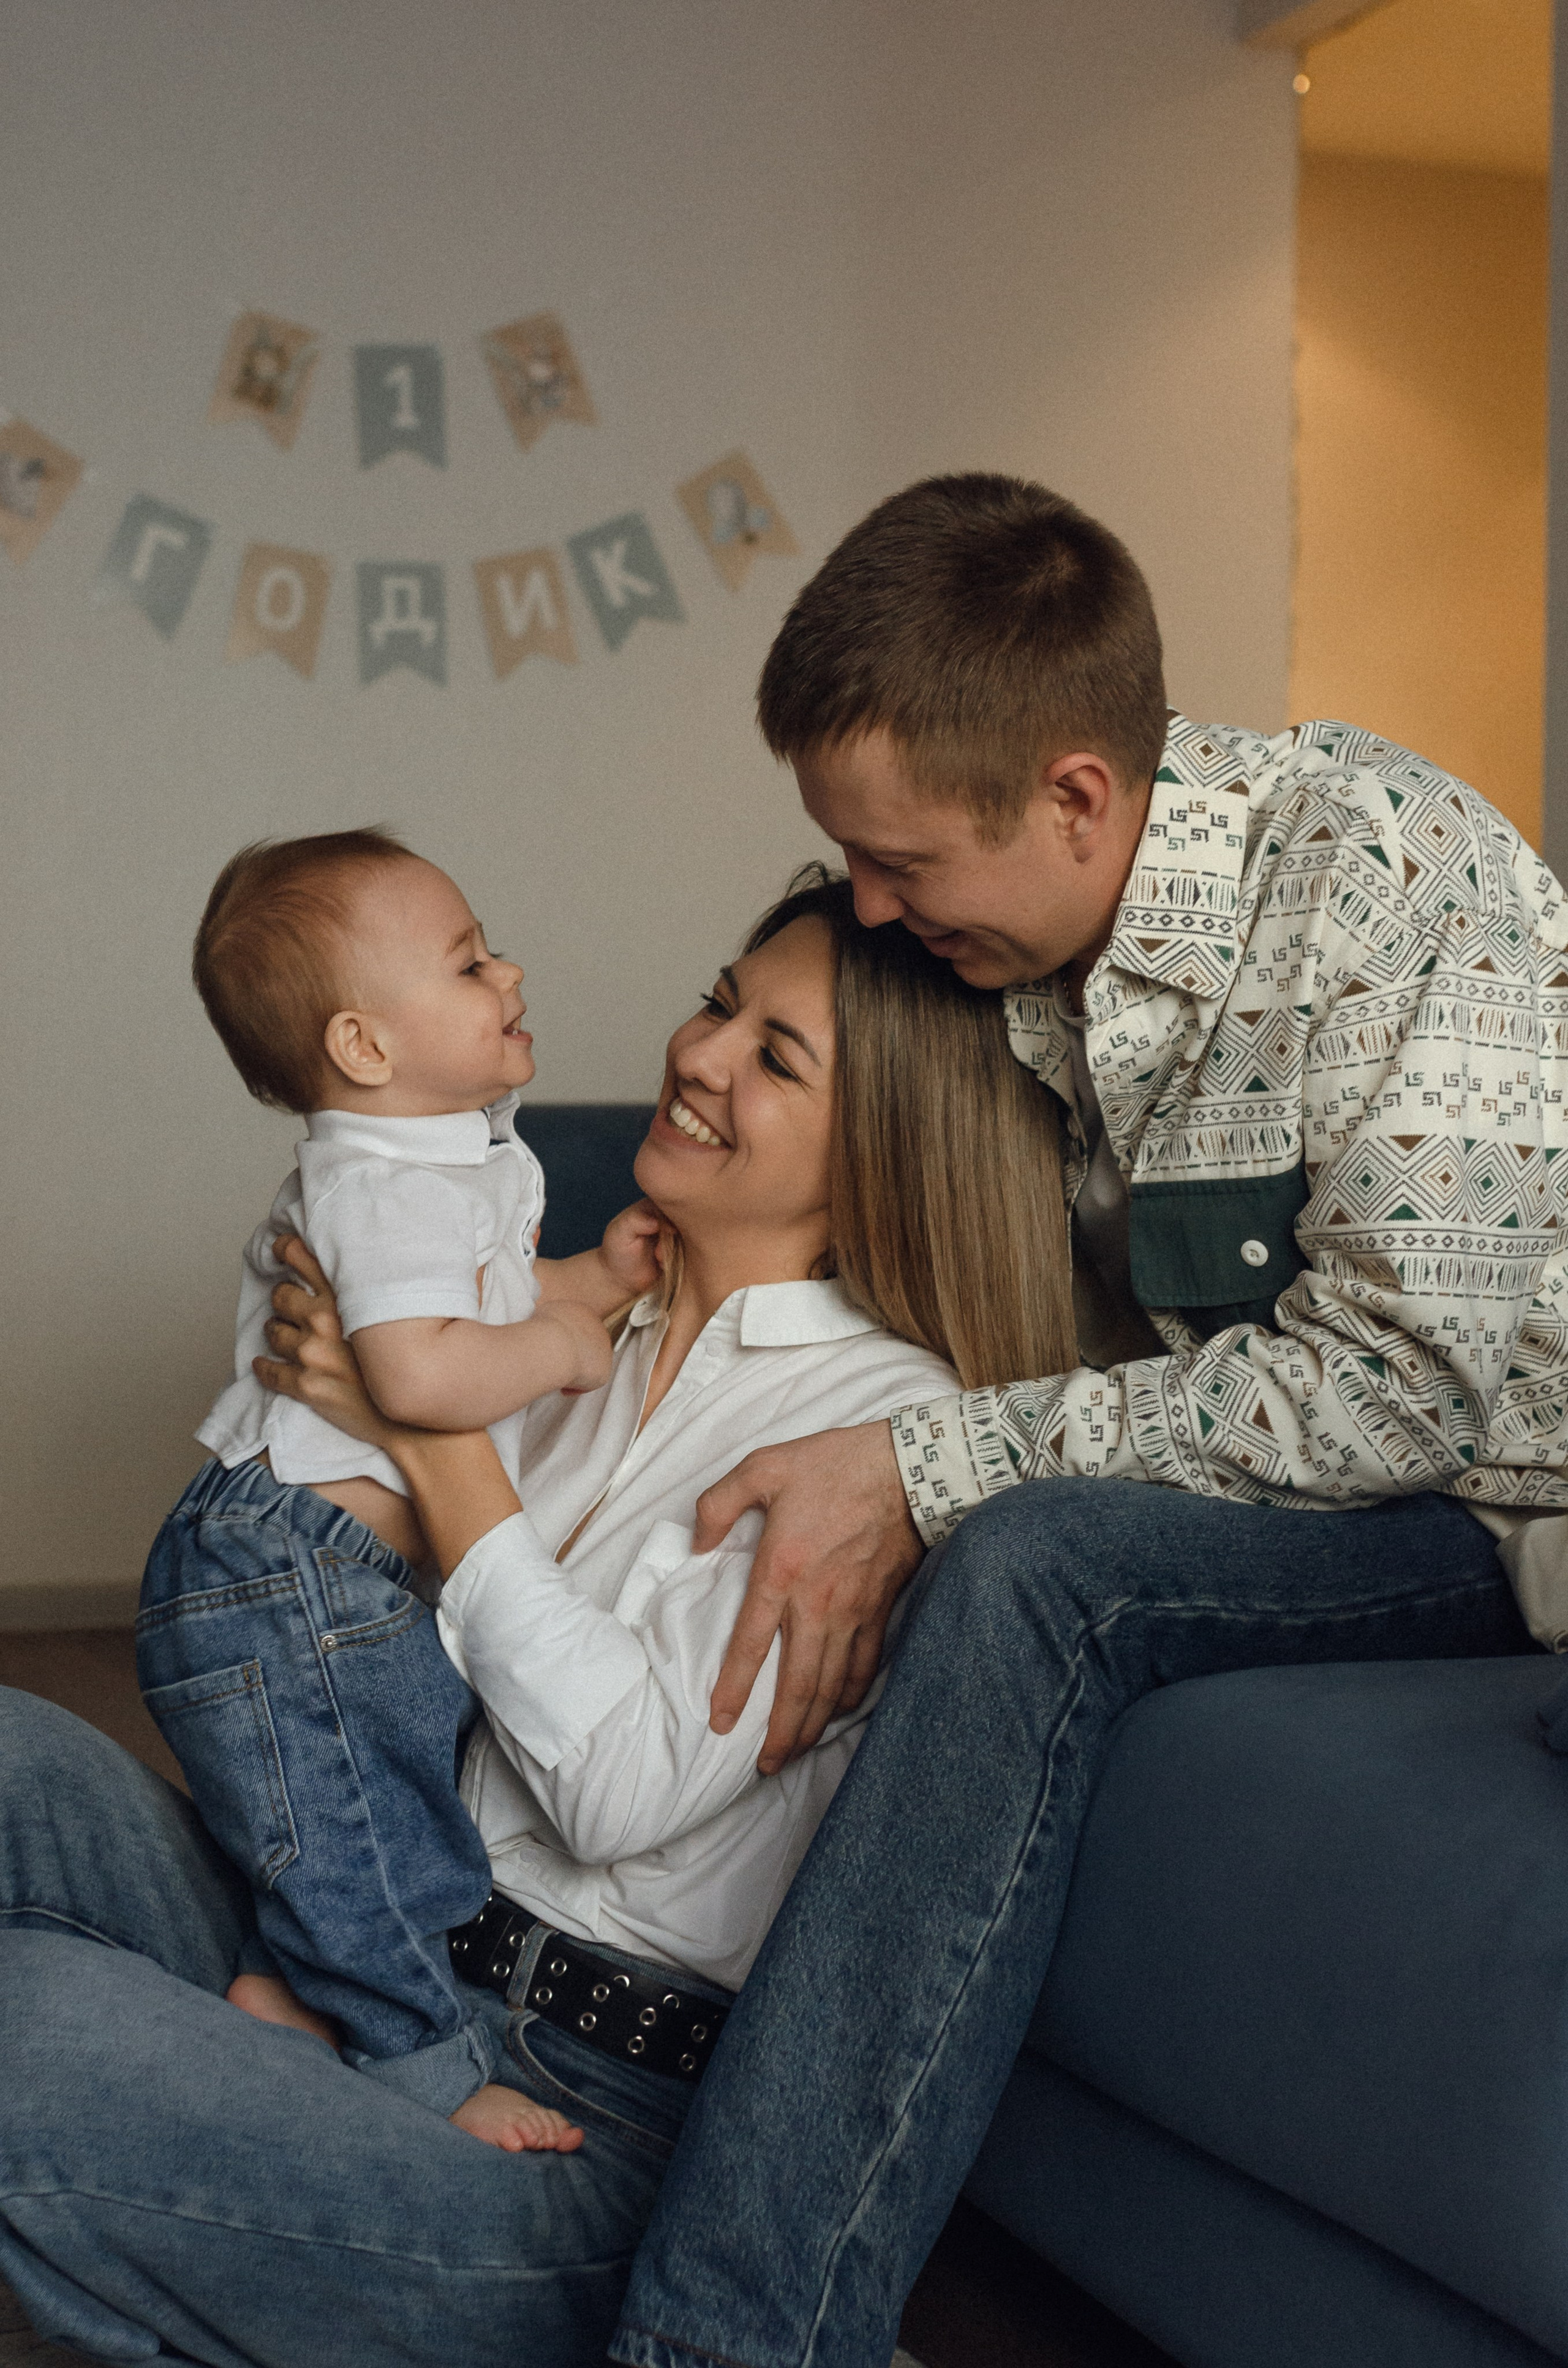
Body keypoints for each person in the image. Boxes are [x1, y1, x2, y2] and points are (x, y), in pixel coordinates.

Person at [605, 474, 1568, 2368]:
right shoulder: (1014, 951)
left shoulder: (1389, 878)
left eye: (901, 862)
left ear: (1073, 795)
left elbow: (1401, 1391)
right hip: (1289, 1481)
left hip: (1488, 1496)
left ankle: (730, 2344)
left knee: (1031, 1562)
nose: (869, 907)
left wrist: (926, 1464)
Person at [0, 868, 1074, 2368]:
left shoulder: (879, 1441)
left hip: (582, 2108)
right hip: (373, 1950)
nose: (698, 1053)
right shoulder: (556, 1329)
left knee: (34, 2038)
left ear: (883, 1145)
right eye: (716, 1003)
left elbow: (617, 1788)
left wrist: (430, 1438)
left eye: (774, 1056)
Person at [142, 825, 658, 2150]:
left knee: (351, 1802)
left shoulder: (435, 1162)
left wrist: (593, 1280)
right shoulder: (381, 1182)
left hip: (321, 1571)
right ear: (364, 1046)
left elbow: (476, 1300)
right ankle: (429, 2074)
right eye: (470, 962)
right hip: (291, 1567)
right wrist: (564, 1346)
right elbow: (419, 1370)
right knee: (368, 1834)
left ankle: (286, 1989)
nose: (510, 972)